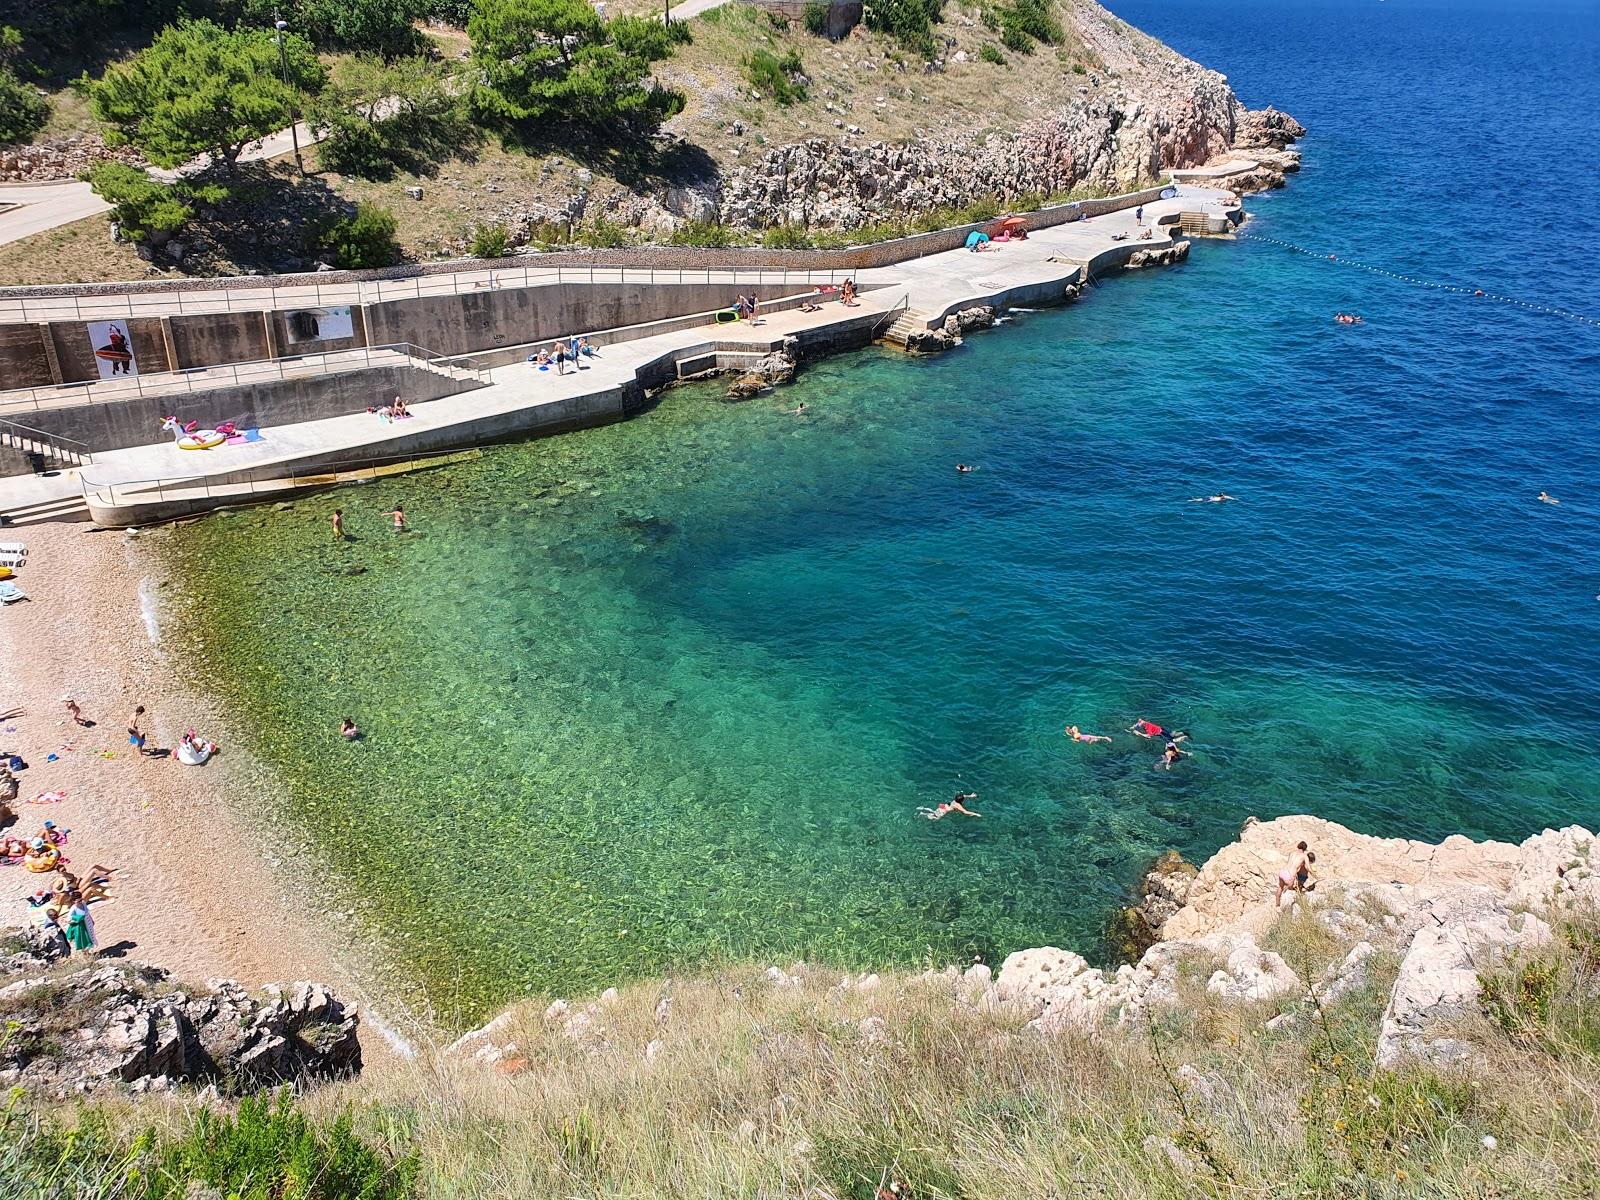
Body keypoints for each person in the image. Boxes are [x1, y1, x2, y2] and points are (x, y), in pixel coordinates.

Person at [62, 891, 96, 956]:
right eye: (78, 901)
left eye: (81, 900)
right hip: (80, 927)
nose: (80, 902)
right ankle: (85, 954)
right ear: (74, 901)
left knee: (90, 937)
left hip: (87, 923)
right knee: (84, 940)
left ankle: (87, 953)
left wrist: (91, 920)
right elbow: (68, 919)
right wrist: (77, 920)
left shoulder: (83, 904)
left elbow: (87, 912)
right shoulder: (73, 908)